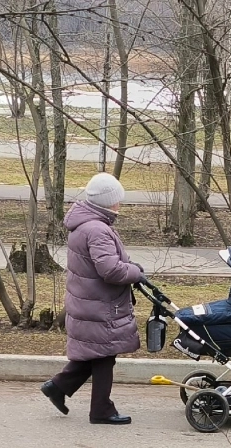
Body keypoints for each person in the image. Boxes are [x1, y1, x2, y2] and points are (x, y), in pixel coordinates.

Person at [40, 173, 145, 424]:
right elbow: (110, 270)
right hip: (99, 305)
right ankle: (101, 410)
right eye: (117, 199)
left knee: (97, 353)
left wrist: (131, 267)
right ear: (108, 202)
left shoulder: (88, 225)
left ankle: (58, 386)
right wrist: (136, 273)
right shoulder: (97, 229)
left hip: (90, 301)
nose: (120, 204)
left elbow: (106, 263)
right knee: (104, 355)